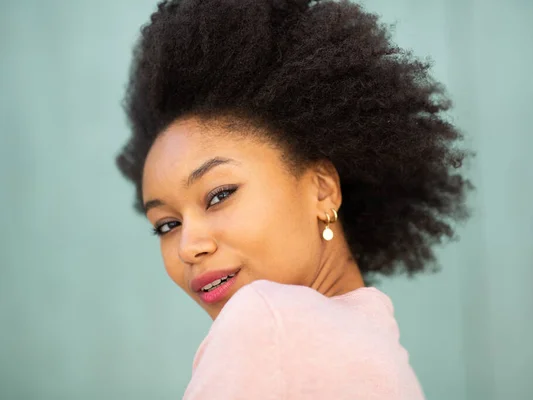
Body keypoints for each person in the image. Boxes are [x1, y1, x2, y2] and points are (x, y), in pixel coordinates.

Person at [115, 0, 471, 398]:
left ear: (322, 188)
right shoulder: (380, 350)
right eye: (167, 224)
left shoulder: (266, 322)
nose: (188, 247)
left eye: (218, 195)